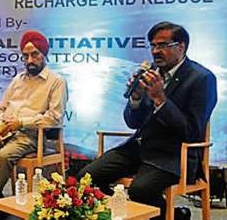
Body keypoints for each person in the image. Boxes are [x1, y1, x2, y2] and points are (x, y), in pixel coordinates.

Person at [78, 21, 217, 220]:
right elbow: (133, 123)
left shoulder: (202, 78)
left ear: (181, 47)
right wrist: (135, 99)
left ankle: (172, 216)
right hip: (139, 148)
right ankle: (133, 214)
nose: (155, 51)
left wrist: (160, 99)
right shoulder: (150, 72)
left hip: (174, 156)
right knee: (86, 179)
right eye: (153, 46)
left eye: (162, 45)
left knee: (140, 190)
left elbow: (192, 132)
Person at [0, 30, 67, 220]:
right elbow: (0, 108)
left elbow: (54, 118)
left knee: (2, 157)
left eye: (34, 55)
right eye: (25, 56)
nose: (29, 60)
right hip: (5, 132)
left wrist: (21, 123)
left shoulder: (56, 82)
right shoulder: (18, 80)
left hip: (31, 135)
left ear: (44, 54)